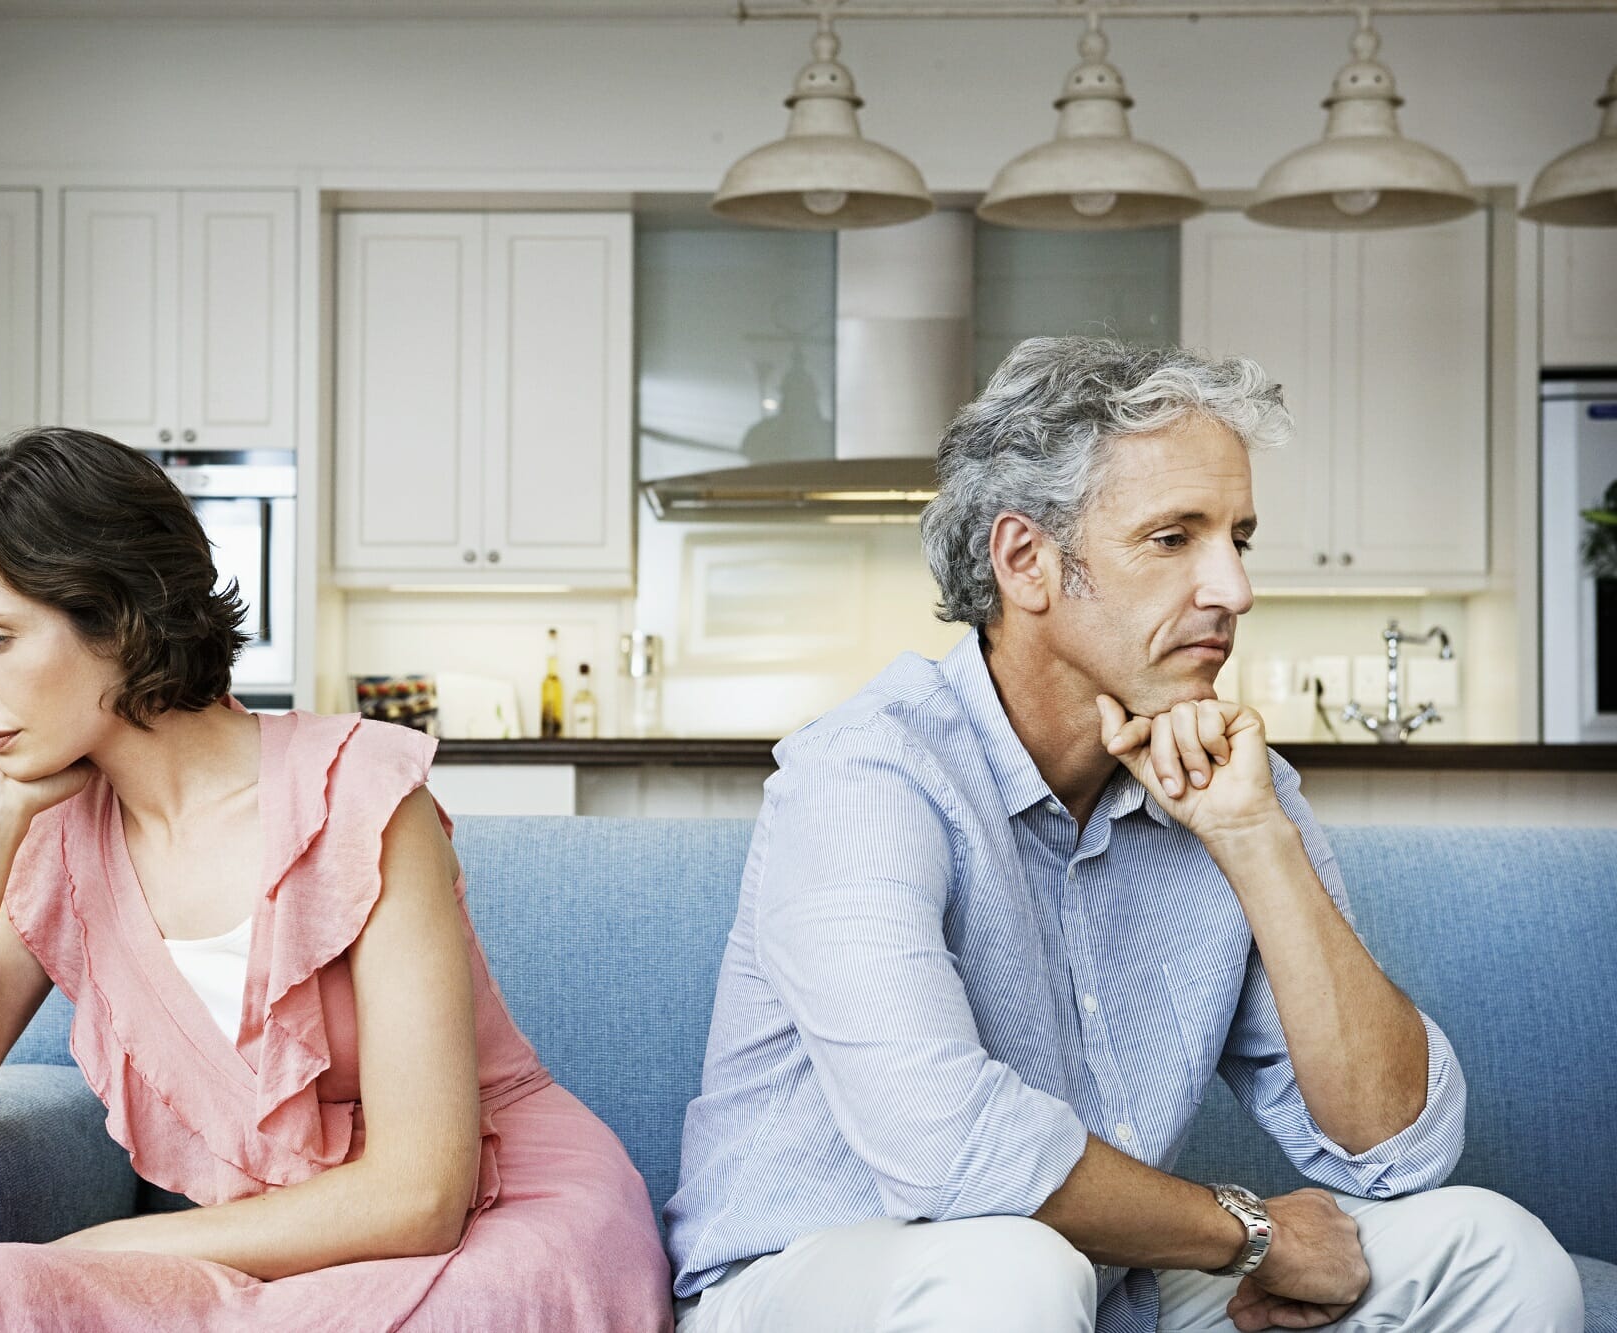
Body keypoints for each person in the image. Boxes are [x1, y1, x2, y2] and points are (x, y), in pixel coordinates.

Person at [663, 338, 1583, 1333]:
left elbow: (1398, 1149)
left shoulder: (1230, 782)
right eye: (1172, 538)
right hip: (818, 1282)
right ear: (1024, 561)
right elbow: (946, 1147)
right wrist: (1249, 1232)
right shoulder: (865, 773)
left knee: (1496, 1253)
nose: (1231, 589)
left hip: (1098, 1276)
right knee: (1007, 1274)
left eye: (1238, 537)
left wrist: (1251, 837)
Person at [0, 427, 671, 1333]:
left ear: (117, 615)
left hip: (499, 1225)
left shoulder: (357, 793)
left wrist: (98, 1250)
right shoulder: (54, 847)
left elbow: (422, 1194)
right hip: (285, 1259)